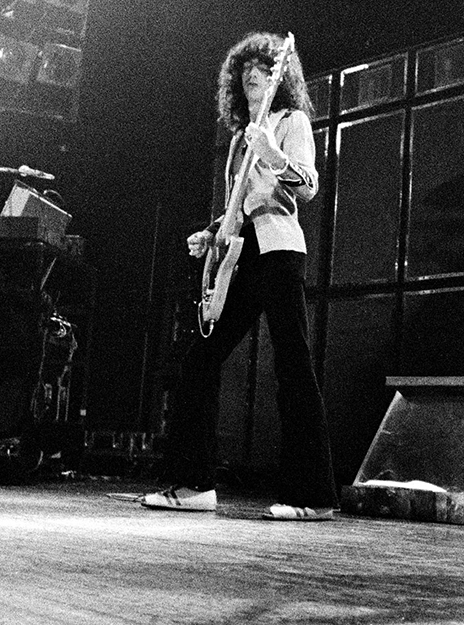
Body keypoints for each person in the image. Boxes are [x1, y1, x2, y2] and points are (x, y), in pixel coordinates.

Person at [144, 32, 339, 521]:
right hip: (242, 250)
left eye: (260, 66)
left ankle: (313, 496)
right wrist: (209, 234)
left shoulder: (290, 121)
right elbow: (236, 209)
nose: (251, 73)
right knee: (201, 359)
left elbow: (309, 187)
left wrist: (272, 151)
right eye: (244, 67)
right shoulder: (236, 141)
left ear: (276, 77)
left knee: (293, 365)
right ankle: (194, 485)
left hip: (279, 249)